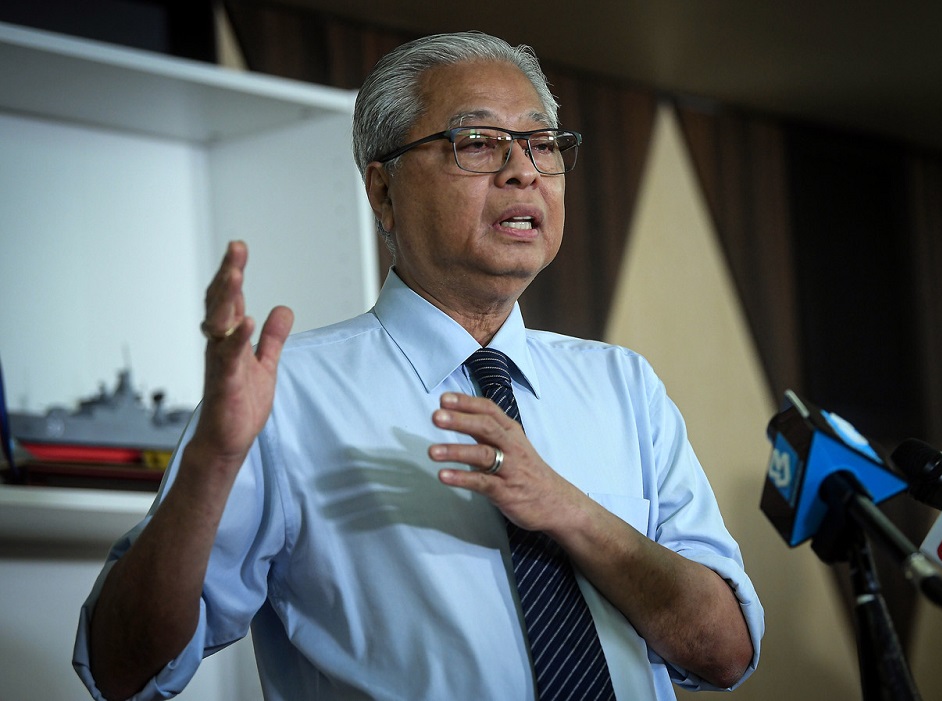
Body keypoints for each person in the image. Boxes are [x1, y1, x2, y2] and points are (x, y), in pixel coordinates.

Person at [73, 31, 763, 701]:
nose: (524, 170)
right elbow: (120, 668)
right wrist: (213, 461)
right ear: (383, 191)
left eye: (542, 143)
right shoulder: (283, 399)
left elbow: (726, 651)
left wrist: (568, 511)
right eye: (477, 142)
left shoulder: (625, 387)